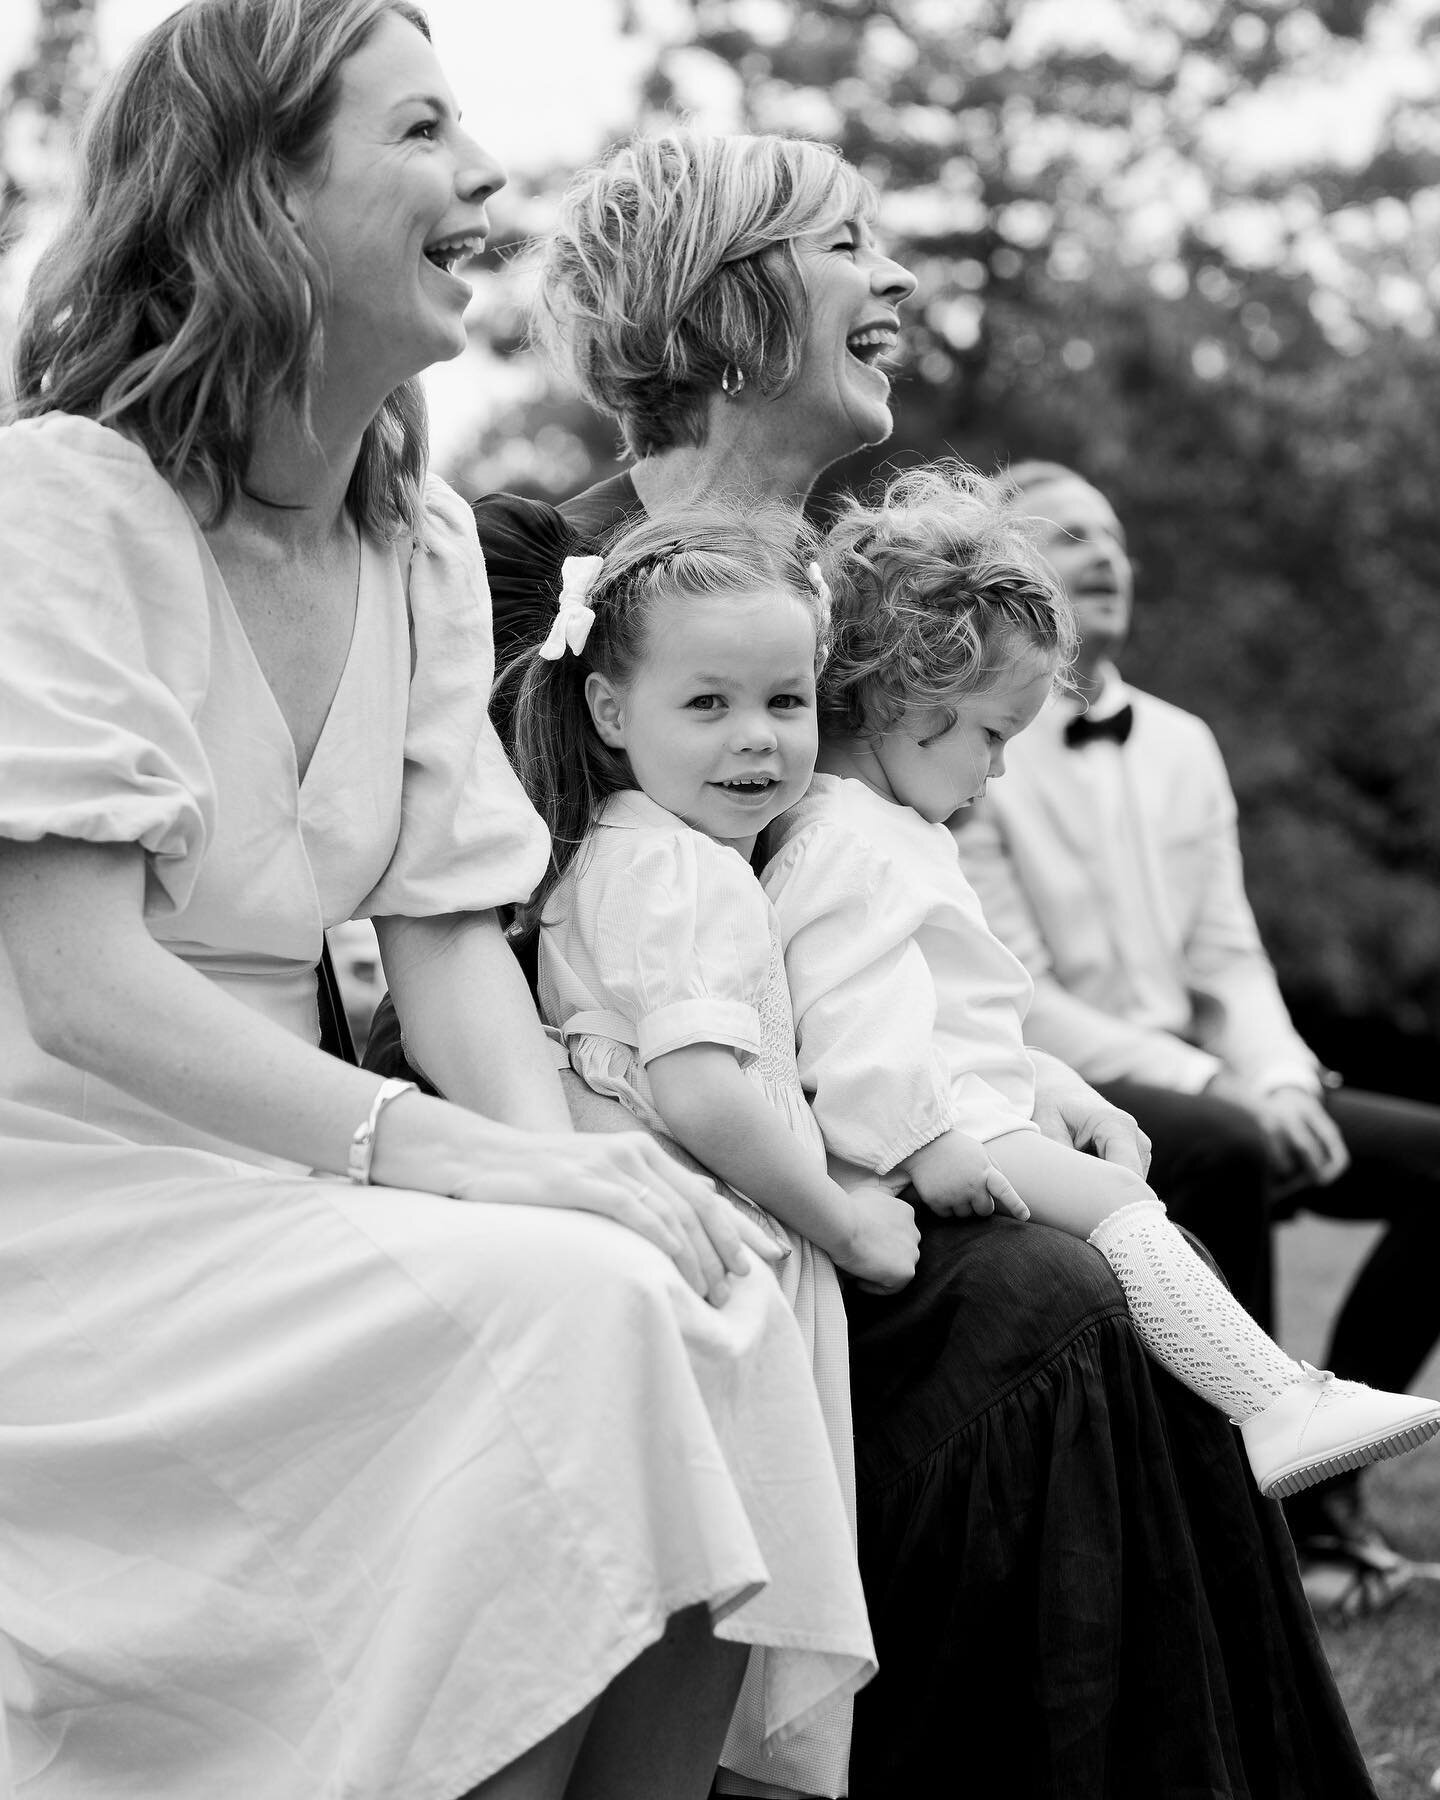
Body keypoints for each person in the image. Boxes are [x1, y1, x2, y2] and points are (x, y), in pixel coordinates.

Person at [368, 128, 1382, 1797]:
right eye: (849, 244)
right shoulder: (534, 580)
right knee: (1045, 1300)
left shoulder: (875, 605)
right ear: (729, 302)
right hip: (667, 1172)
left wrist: (1063, 1084)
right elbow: (441, 934)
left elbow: (927, 929)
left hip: (874, 1138)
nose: (896, 277)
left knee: (1110, 1244)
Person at [0, 11, 881, 1798]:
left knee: (694, 1288)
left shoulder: (407, 537)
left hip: (301, 1157)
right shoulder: (58, 503)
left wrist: (591, 1173)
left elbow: (452, 939)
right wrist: (489, 1167)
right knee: (583, 1309)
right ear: (257, 193)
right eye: (419, 130)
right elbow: (82, 986)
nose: (484, 175)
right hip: (78, 1181)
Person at [762, 458, 1440, 1503]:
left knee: (1141, 1192)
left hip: (986, 1106)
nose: (995, 771)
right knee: (1124, 1206)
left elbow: (991, 1010)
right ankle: (1271, 1405)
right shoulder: (845, 843)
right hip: (936, 1135)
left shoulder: (900, 825)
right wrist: (929, 1144)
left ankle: (1275, 1416)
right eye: (992, 737)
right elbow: (849, 1028)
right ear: (908, 691)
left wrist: (1070, 1091)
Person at [955, 456, 1440, 1610]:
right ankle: (1248, 1526)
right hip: (1069, 1079)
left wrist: (1275, 1073)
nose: (1106, 554)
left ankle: (1328, 1492)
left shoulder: (1183, 740)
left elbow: (1228, 951)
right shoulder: (970, 743)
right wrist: (1218, 1083)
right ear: (1010, 572)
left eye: (1113, 533)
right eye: (1068, 535)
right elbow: (1015, 988)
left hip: (1218, 1065)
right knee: (1218, 1142)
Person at [505, 508, 918, 1795]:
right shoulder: (681, 872)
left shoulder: (624, 852)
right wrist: (844, 1221)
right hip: (717, 1262)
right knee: (728, 1584)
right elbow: (699, 1092)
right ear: (613, 713)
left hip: (675, 1252)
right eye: (710, 703)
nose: (758, 736)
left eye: (787, 700)